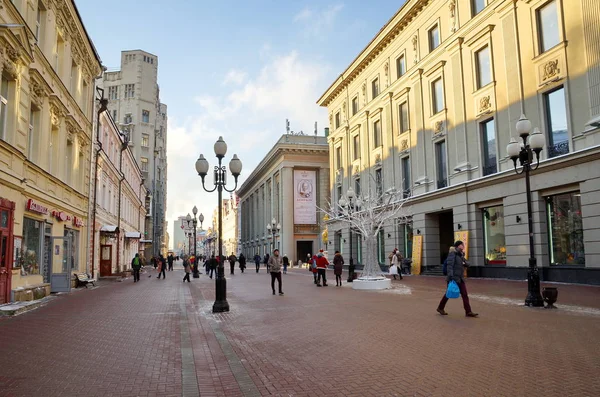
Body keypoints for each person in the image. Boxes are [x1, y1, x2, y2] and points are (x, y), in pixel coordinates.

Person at [437, 241, 478, 318]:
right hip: (453, 278)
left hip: (460, 278)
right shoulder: (452, 254)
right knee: (448, 293)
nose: (463, 246)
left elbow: (467, 263)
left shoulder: (460, 255)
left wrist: (465, 263)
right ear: (458, 246)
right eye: (462, 245)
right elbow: (449, 266)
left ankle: (468, 311)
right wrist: (451, 277)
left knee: (464, 294)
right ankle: (440, 308)